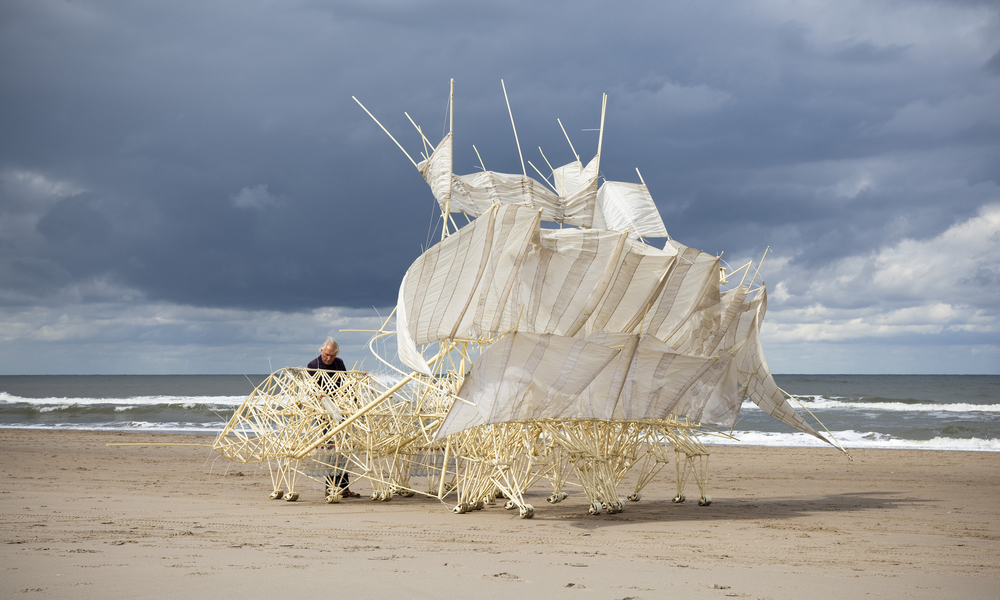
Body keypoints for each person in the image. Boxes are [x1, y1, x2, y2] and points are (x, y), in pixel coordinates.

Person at [307, 338, 360, 499]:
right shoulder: (312, 366)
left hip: (340, 411)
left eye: (331, 355)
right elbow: (312, 391)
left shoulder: (339, 364)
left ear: (336, 354)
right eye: (326, 354)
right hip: (324, 413)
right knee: (331, 450)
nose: (328, 358)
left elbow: (346, 385)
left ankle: (344, 488)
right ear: (321, 351)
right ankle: (330, 488)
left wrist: (355, 405)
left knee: (343, 450)